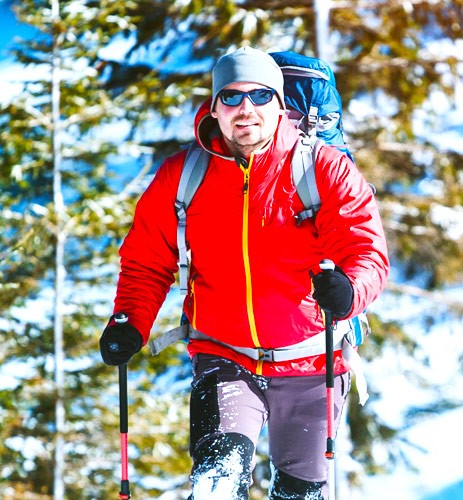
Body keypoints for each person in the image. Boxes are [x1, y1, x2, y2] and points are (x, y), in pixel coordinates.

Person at [97, 47, 390, 500]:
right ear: (213, 108)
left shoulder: (321, 169)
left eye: (259, 95)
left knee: (300, 493)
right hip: (224, 356)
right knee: (217, 482)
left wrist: (350, 291)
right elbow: (146, 260)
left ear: (280, 104)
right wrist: (130, 322)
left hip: (312, 360)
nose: (245, 109)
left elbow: (366, 249)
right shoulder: (184, 175)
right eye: (231, 98)